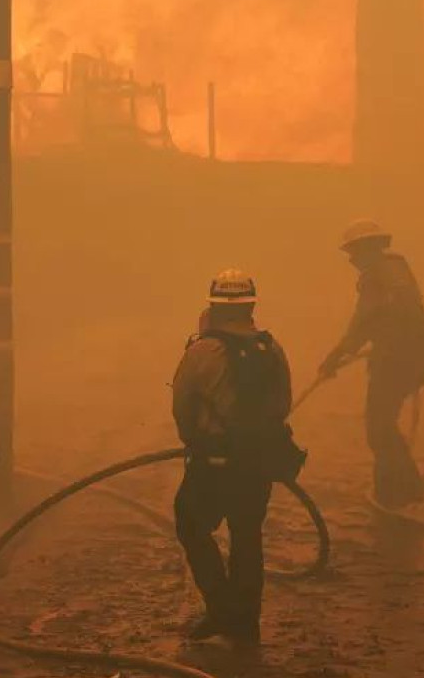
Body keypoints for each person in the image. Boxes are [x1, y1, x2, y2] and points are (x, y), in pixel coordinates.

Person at [173, 269, 299, 646]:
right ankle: (245, 621)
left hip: (212, 462)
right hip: (256, 463)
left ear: (213, 306)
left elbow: (182, 406)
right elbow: (282, 405)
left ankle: (222, 608)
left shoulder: (201, 351)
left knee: (191, 525)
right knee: (247, 536)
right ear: (251, 306)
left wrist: (194, 441)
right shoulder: (271, 349)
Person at [318, 220, 424, 508]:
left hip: (393, 362)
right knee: (384, 425)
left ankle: (401, 491)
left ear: (368, 249)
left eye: (353, 252)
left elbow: (362, 323)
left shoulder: (377, 276)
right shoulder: (397, 271)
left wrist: (334, 357)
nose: (351, 260)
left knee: (379, 429)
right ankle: (403, 488)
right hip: (407, 360)